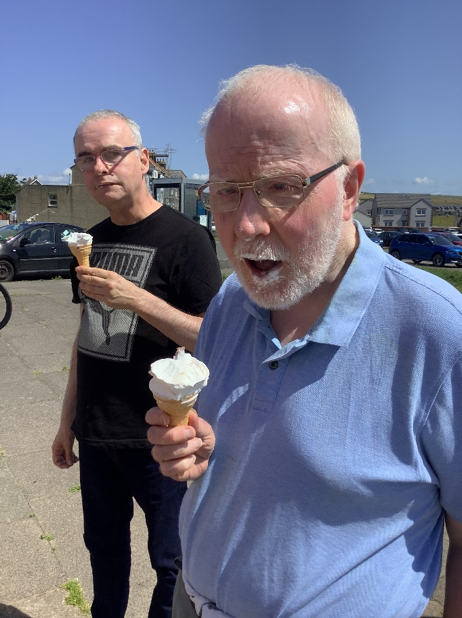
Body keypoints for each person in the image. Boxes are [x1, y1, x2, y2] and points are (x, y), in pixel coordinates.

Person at [146, 65, 462, 617]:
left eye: (279, 187)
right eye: (226, 190)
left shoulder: (440, 333)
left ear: (350, 189)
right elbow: (251, 444)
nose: (246, 226)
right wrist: (196, 449)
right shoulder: (230, 300)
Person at [52, 109, 222, 618]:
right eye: (86, 158)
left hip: (158, 437)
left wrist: (138, 299)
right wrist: (67, 422)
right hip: (98, 433)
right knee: (104, 555)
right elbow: (85, 338)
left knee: (170, 561)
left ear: (143, 160)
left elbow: (212, 338)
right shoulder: (88, 241)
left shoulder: (187, 240)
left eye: (111, 153)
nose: (99, 167)